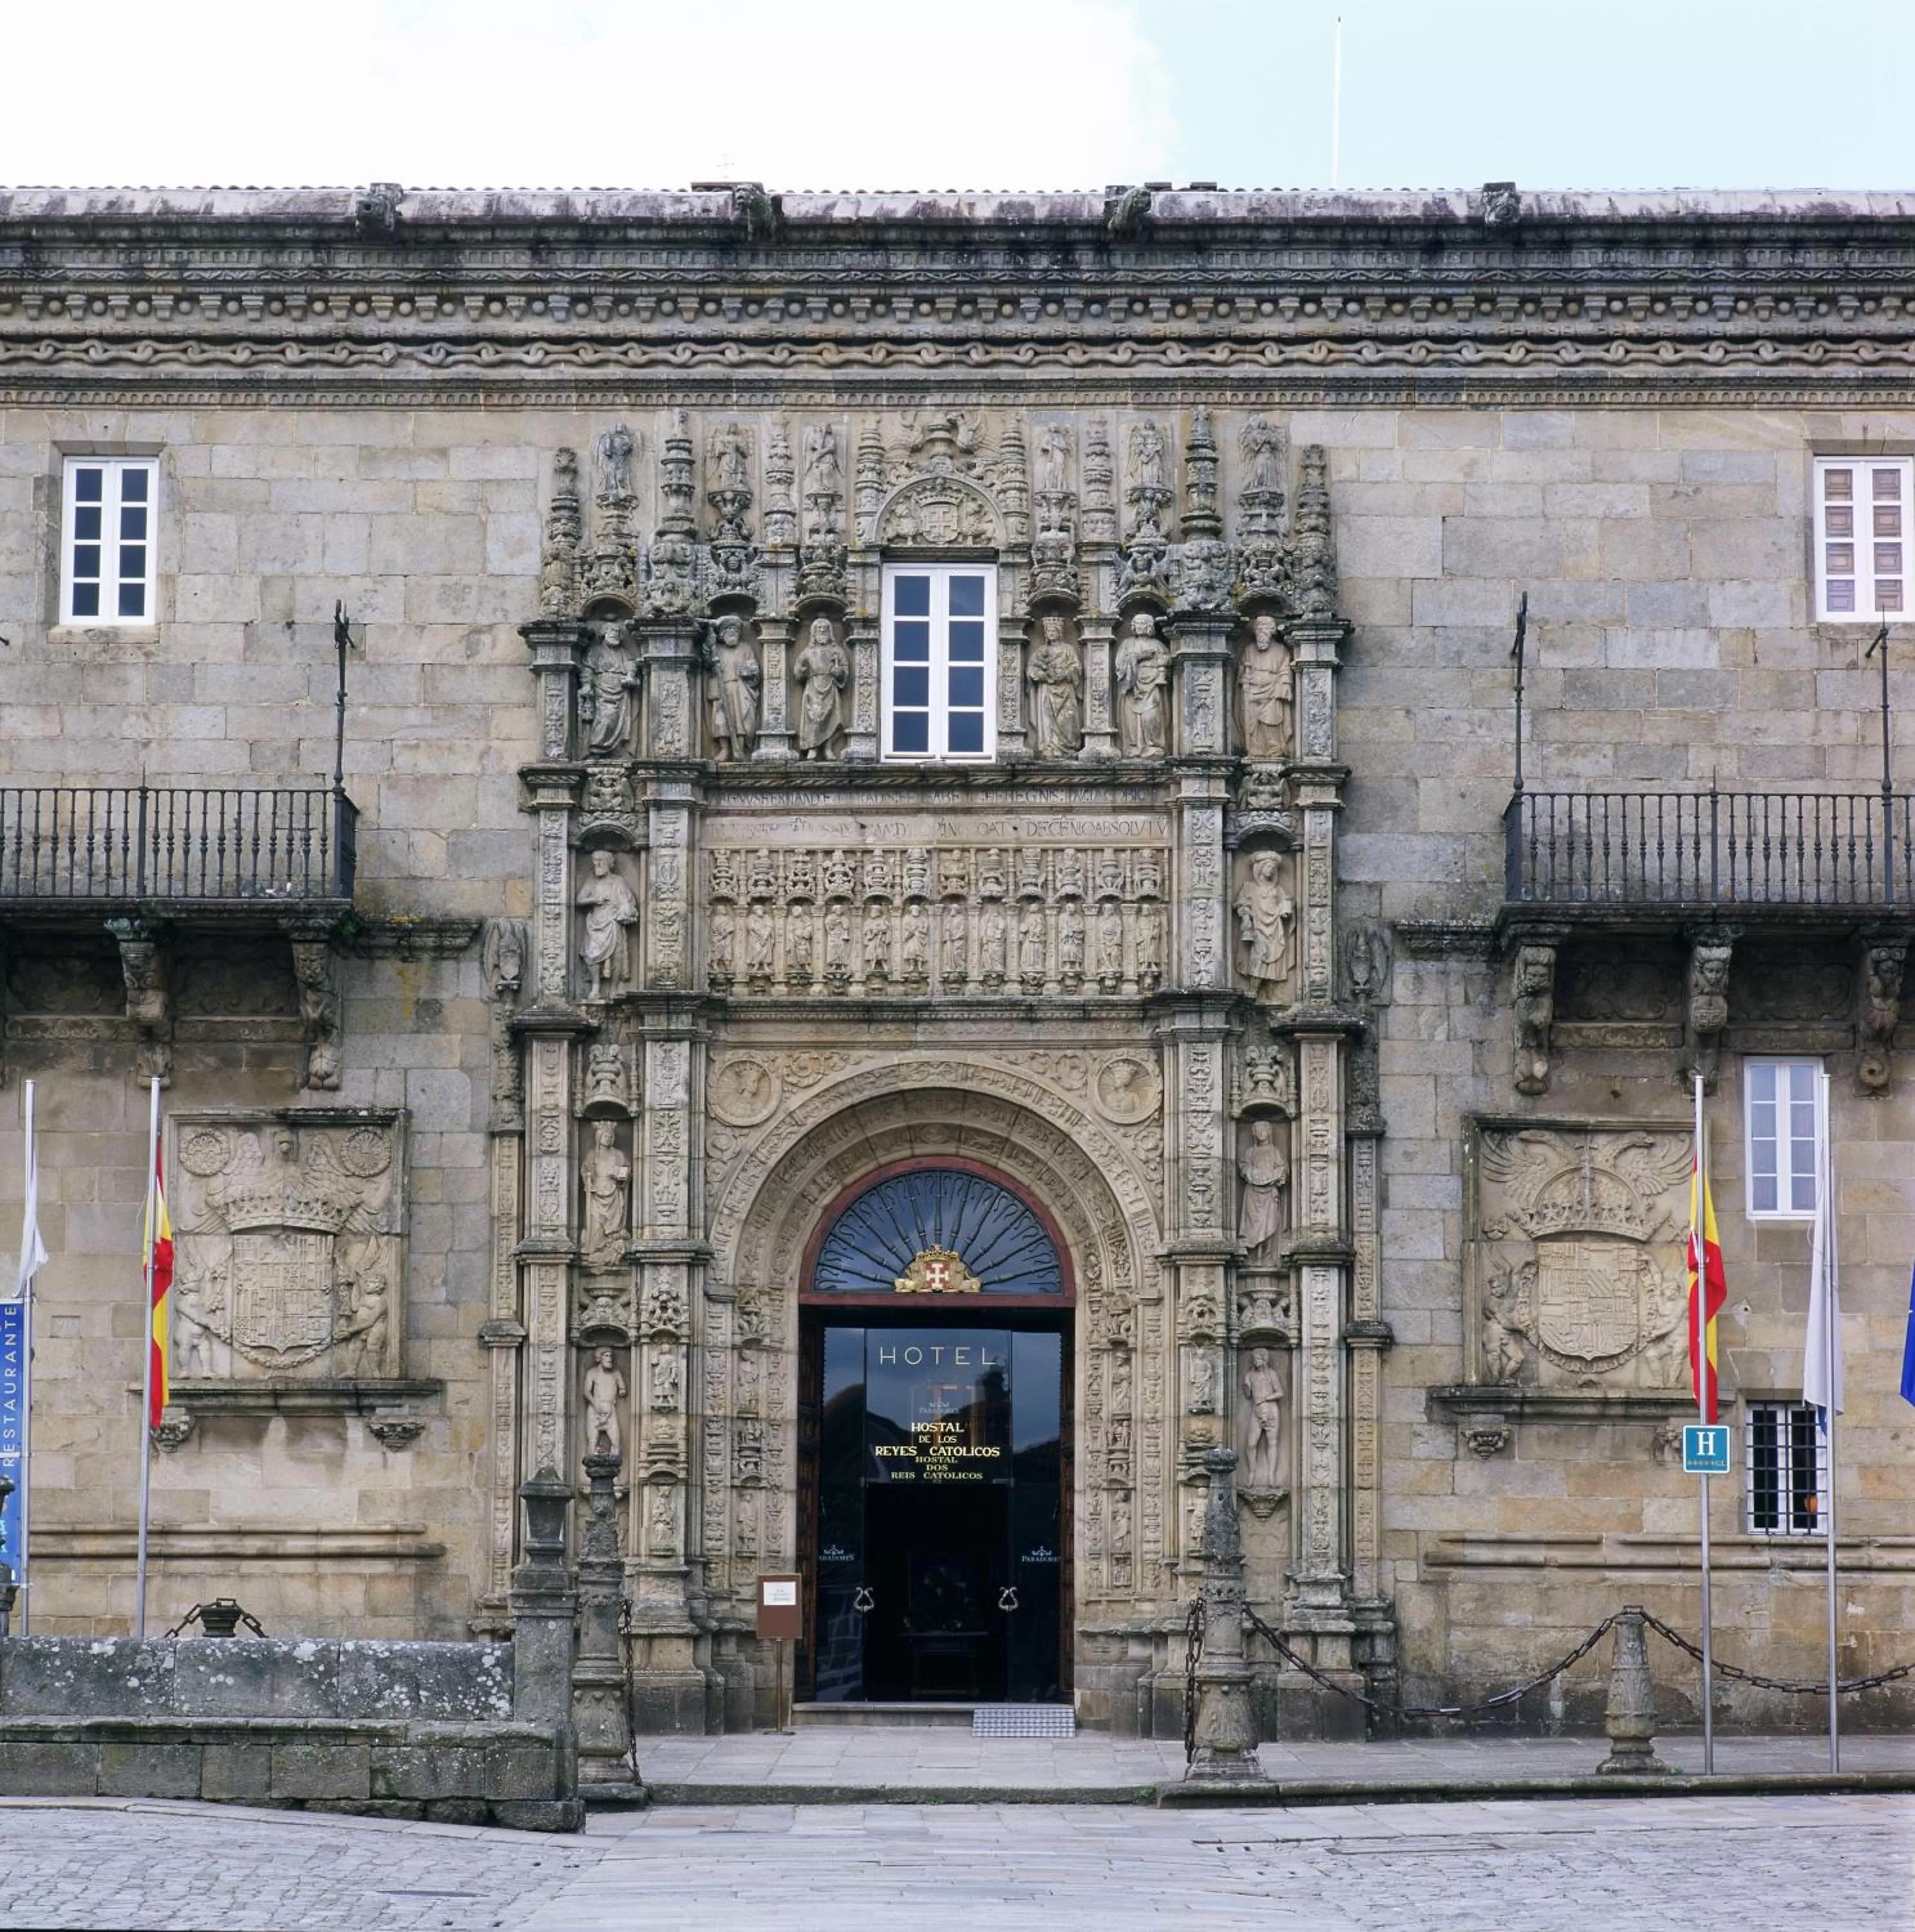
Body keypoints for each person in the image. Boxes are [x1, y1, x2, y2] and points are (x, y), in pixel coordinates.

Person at [577, 849, 639, 998]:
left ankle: (613, 988)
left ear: (609, 863)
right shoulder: (591, 881)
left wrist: (623, 911)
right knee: (591, 953)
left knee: (617, 954)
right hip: (596, 921)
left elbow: (629, 901)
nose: (596, 864)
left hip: (613, 921)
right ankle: (596, 987)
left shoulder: (618, 881)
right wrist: (594, 900)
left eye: (600, 860)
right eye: (594, 861)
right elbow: (579, 900)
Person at [1233, 851, 1295, 998]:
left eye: (1273, 868)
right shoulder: (1249, 887)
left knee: (1275, 957)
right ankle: (1253, 989)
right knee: (1260, 956)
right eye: (1268, 866)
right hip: (1258, 927)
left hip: (1274, 926)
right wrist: (1245, 912)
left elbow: (1284, 904)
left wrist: (1285, 910)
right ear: (1260, 868)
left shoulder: (1277, 889)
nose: (1271, 870)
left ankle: (1271, 991)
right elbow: (1240, 904)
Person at [1027, 612, 1084, 757]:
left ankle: (1068, 747)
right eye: (1049, 631)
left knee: (1067, 719)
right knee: (1048, 719)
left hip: (1065, 688)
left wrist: (1065, 674)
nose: (1051, 633)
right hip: (1047, 689)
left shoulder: (1068, 650)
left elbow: (1076, 668)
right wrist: (1043, 676)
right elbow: (1032, 669)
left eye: (1054, 631)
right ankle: (1050, 747)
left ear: (1060, 633)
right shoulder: (1041, 651)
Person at [793, 616, 849, 759]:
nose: (822, 631)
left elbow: (845, 670)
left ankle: (828, 748)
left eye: (825, 629)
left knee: (832, 717)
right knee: (814, 718)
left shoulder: (837, 651)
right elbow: (798, 671)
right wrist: (802, 671)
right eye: (819, 629)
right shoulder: (807, 652)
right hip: (813, 687)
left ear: (830, 632)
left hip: (830, 686)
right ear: (813, 632)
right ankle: (813, 748)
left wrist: (840, 672)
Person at [1238, 612, 1292, 759]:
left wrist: (1283, 685)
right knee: (1252, 723)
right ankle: (1255, 750)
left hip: (1273, 691)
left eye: (1265, 629)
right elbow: (1242, 671)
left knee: (1271, 721)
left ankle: (1274, 750)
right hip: (1252, 691)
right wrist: (1244, 677)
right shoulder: (1249, 650)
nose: (1261, 633)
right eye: (1258, 630)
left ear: (1271, 632)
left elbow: (1285, 670)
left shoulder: (1282, 650)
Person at [1115, 613, 1169, 755]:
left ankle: (1153, 745)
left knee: (1151, 716)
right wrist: (1138, 657)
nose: (1139, 626)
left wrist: (1163, 664)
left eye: (1143, 623)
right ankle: (1134, 746)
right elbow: (1120, 665)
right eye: (1137, 623)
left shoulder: (1158, 645)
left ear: (1150, 627)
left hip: (1152, 684)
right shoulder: (1127, 644)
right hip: (1132, 686)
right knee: (1132, 718)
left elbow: (1166, 662)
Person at [1238, 1120, 1289, 1262]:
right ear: (1254, 1133)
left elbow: (1283, 1169)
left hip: (1269, 1194)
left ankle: (1268, 1256)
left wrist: (1272, 1176)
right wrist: (1252, 1173)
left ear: (1269, 1132)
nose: (1261, 1133)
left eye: (1264, 1130)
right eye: (1258, 1130)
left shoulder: (1275, 1152)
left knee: (1270, 1223)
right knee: (1254, 1225)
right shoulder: (1250, 1152)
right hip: (1253, 1195)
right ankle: (1256, 1257)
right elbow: (1244, 1167)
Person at [583, 1347, 626, 1460]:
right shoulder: (592, 1373)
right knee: (592, 1440)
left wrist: (622, 1391)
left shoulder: (616, 1373)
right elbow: (587, 1392)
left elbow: (622, 1388)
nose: (609, 1358)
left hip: (610, 1409)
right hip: (595, 1409)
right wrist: (595, 1404)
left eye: (611, 1356)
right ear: (599, 1358)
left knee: (616, 1440)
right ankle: (591, 1469)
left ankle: (615, 1471)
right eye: (606, 1356)